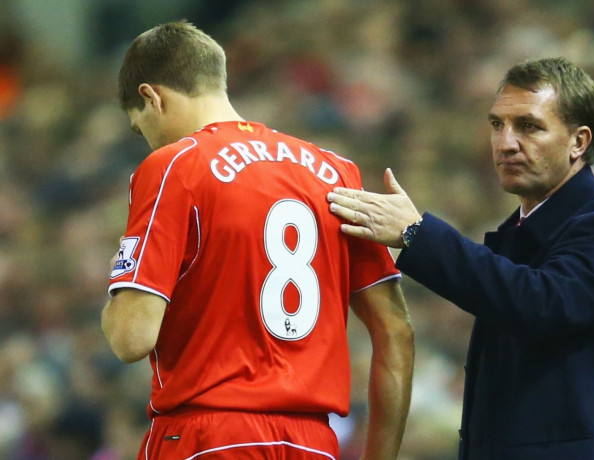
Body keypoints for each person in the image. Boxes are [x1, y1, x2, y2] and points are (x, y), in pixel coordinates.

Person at [101, 21, 414, 460]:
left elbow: (131, 338)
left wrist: (119, 287)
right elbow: (395, 330)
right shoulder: (335, 172)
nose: (147, 143)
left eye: (141, 128)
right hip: (312, 443)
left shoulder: (174, 165)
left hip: (209, 437)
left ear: (152, 97)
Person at [327, 57, 594, 459]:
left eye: (529, 126)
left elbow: (539, 304)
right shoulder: (523, 229)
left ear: (579, 141)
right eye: (497, 124)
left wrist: (416, 233)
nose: (506, 143)